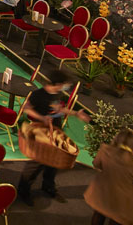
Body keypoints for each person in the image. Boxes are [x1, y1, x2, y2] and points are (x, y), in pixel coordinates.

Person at [17, 69, 90, 204]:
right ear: (57, 84)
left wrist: (76, 114)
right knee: (35, 164)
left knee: (54, 161)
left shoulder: (57, 94)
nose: (66, 87)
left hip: (55, 133)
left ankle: (48, 186)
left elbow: (59, 110)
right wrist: (42, 118)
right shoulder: (38, 94)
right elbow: (26, 108)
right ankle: (23, 190)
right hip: (41, 135)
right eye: (64, 84)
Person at [83, 128, 133, 225]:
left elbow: (96, 164)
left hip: (102, 191)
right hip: (121, 200)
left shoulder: (104, 150)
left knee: (98, 215)